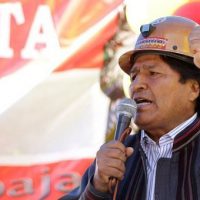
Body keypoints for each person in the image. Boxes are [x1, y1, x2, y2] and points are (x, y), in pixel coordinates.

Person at [59, 16, 200, 200]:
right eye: (133, 76)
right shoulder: (114, 158)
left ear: (194, 88)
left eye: (153, 73)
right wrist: (97, 189)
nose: (136, 85)